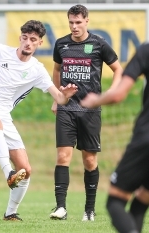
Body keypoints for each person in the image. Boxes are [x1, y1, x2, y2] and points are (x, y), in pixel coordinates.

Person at [0, 20, 78, 221]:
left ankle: (10, 212)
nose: (28, 43)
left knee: (26, 170)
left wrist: (67, 94)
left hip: (3, 117)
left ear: (39, 43)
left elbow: (60, 99)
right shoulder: (0, 51)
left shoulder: (37, 70)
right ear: (20, 38)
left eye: (33, 40)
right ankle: (8, 174)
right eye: (26, 38)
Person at [49, 4, 123, 221]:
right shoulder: (61, 44)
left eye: (78, 22)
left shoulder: (99, 43)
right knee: (63, 156)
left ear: (86, 21)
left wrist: (111, 92)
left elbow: (118, 69)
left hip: (90, 110)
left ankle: (89, 210)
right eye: (71, 22)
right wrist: (57, 98)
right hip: (66, 109)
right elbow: (56, 69)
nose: (74, 26)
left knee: (89, 161)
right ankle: (60, 208)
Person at [80, 42, 149, 233]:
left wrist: (95, 100)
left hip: (146, 138)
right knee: (142, 200)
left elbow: (118, 95)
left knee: (115, 201)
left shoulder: (146, 51)